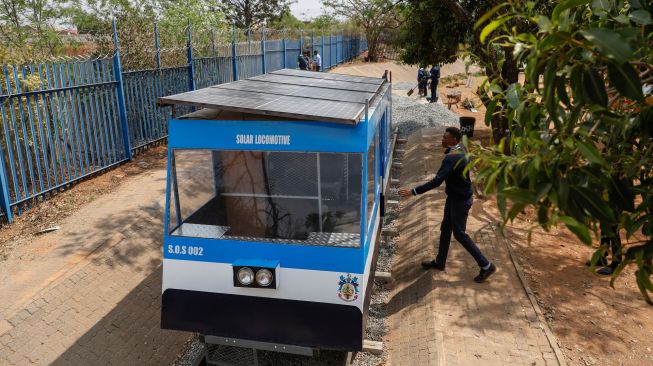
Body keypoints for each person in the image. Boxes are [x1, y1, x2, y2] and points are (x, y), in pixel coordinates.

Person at [398, 127, 496, 283]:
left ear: (454, 140)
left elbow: (437, 181)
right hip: (455, 197)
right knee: (445, 229)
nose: (442, 140)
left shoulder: (451, 157)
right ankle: (440, 262)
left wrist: (414, 191)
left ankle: (486, 265)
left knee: (459, 234)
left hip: (460, 200)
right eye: (443, 137)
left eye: (445, 138)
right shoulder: (459, 150)